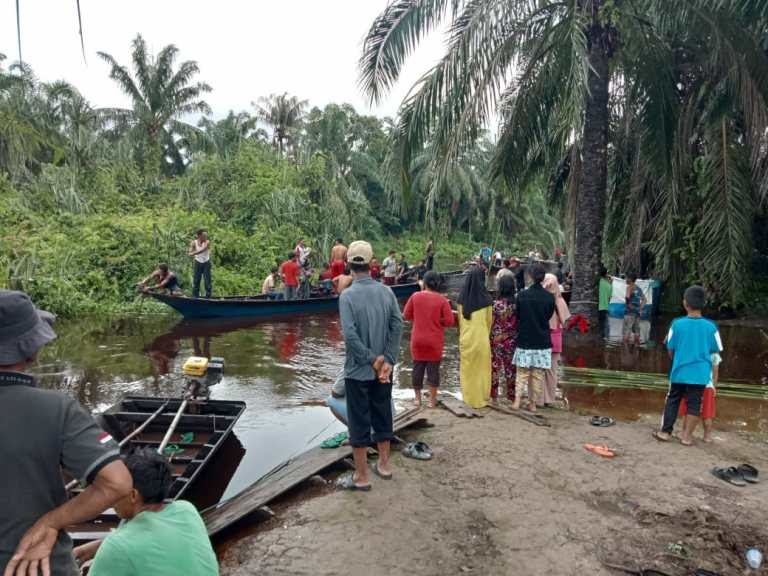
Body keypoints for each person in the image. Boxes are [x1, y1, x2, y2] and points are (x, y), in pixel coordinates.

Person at [0, 290, 132, 576]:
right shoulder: (57, 408)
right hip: (37, 567)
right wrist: (50, 522)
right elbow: (117, 484)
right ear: (30, 349)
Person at [75, 449, 218, 576]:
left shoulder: (116, 546)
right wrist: (99, 546)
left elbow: (127, 544)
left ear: (133, 495)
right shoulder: (186, 510)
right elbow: (155, 539)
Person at [338, 241, 402, 490]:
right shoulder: (386, 292)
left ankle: (361, 477)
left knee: (359, 421)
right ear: (372, 263)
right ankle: (384, 466)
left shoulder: (347, 296)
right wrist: (387, 359)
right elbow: (397, 325)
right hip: (384, 371)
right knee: (382, 413)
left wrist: (372, 360)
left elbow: (350, 336)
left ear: (349, 265)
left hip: (358, 370)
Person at [654, 285, 723, 446]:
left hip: (679, 371)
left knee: (673, 399)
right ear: (703, 304)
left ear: (685, 303)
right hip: (700, 374)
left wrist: (677, 359)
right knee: (694, 404)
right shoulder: (711, 327)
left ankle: (665, 432)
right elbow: (715, 352)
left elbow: (670, 349)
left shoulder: (676, 324)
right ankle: (686, 437)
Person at [403, 271, 455, 408]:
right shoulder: (442, 300)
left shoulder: (415, 296)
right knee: (433, 370)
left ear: (424, 283)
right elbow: (450, 321)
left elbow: (406, 315)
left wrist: (420, 318)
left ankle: (418, 399)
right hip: (434, 340)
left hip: (418, 338)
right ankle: (432, 401)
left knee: (417, 368)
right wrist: (437, 321)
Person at [512, 264, 555, 413]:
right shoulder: (549, 297)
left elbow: (517, 315)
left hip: (525, 339)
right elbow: (548, 316)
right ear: (543, 278)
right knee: (537, 375)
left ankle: (517, 401)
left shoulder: (522, 296)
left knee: (522, 373)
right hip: (542, 341)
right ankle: (533, 404)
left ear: (530, 277)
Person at [456, 266, 493, 409]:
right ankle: (481, 400)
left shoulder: (461, 300)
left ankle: (468, 399)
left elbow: (460, 321)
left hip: (466, 339)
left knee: (467, 370)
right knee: (482, 370)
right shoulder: (487, 300)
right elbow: (489, 322)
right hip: (482, 340)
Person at [678, 352, 721, 443]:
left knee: (687, 410)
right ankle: (707, 436)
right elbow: (715, 375)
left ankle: (684, 433)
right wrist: (714, 388)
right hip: (707, 387)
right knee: (707, 413)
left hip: (692, 384)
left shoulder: (695, 348)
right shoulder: (714, 355)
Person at [542, 273, 571, 407]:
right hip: (556, 340)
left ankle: (539, 399)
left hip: (543, 338)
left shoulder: (541, 301)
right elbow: (565, 322)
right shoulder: (560, 301)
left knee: (540, 369)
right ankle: (549, 399)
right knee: (552, 371)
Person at [490, 275, 518, 402]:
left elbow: (491, 322)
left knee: (495, 368)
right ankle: (511, 396)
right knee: (511, 369)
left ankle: (493, 395)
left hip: (496, 340)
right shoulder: (517, 304)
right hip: (511, 340)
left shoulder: (496, 304)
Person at [623, 272, 646, 345]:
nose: (626, 279)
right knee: (637, 332)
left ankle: (625, 351)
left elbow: (627, 299)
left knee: (627, 331)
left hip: (629, 313)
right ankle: (636, 351)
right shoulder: (638, 289)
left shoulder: (629, 287)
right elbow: (644, 299)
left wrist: (630, 306)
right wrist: (640, 308)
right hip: (637, 314)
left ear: (630, 279)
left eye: (626, 278)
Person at [188, 229, 212, 298]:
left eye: (206, 235)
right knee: (196, 280)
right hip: (198, 262)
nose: (205, 237)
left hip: (206, 262)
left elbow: (203, 250)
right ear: (199, 236)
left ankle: (208, 296)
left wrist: (192, 253)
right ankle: (195, 296)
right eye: (204, 236)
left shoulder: (207, 242)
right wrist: (191, 252)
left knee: (207, 280)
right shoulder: (194, 242)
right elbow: (190, 251)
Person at [598, 265, 612, 337]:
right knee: (605, 327)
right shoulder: (609, 285)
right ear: (606, 274)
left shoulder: (597, 283)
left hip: (597, 308)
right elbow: (609, 299)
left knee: (599, 327)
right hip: (605, 308)